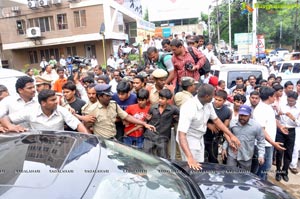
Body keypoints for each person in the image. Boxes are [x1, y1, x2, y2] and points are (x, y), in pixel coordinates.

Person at [177, 84, 241, 170]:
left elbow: (216, 120)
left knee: (200, 165)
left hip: (199, 138)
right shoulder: (189, 107)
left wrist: (231, 135)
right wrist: (190, 157)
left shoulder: (208, 104)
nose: (214, 98)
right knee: (191, 167)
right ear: (207, 96)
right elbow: (181, 135)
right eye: (213, 96)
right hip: (188, 139)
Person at [0, 89, 88, 133]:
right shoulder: (30, 111)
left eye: (56, 99)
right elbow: (4, 119)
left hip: (59, 145)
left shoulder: (61, 110)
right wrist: (11, 127)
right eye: (52, 100)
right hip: (38, 148)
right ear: (43, 103)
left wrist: (88, 139)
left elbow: (78, 124)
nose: (57, 102)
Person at [91, 84, 155, 139]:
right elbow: (86, 127)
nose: (110, 97)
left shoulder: (113, 105)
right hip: (101, 141)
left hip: (112, 139)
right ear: (99, 96)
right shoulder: (92, 109)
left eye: (110, 95)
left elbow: (127, 117)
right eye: (107, 96)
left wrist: (144, 123)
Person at [253, 86, 287, 180]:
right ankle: (259, 187)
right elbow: (261, 130)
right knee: (263, 168)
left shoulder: (268, 107)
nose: (275, 98)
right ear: (269, 97)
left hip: (269, 143)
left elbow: (272, 119)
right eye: (274, 96)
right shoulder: (260, 110)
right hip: (263, 145)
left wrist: (280, 126)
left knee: (265, 168)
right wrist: (273, 143)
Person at [222, 105, 265, 171]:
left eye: (245, 116)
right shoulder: (232, 123)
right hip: (232, 154)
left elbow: (261, 141)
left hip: (246, 156)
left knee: (244, 176)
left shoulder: (256, 126)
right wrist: (224, 148)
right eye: (241, 115)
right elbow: (228, 136)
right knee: (229, 174)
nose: (242, 117)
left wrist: (261, 155)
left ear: (250, 115)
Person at [144, 89, 179, 158]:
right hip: (150, 136)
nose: (160, 100)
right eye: (159, 98)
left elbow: (182, 114)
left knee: (163, 158)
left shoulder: (173, 109)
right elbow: (147, 120)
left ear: (168, 100)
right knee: (145, 156)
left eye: (162, 99)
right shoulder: (153, 108)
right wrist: (147, 119)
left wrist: (174, 119)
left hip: (163, 137)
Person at [275, 91, 300, 182]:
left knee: (289, 152)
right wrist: (278, 114)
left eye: (292, 101)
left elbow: (299, 124)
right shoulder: (282, 105)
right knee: (279, 152)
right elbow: (276, 117)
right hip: (281, 129)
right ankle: (278, 171)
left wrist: (293, 118)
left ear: (296, 100)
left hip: (291, 130)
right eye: (289, 100)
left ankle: (284, 172)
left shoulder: (298, 108)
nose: (290, 103)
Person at [204, 90, 232, 163]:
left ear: (225, 101)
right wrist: (208, 124)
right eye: (215, 99)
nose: (216, 101)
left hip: (214, 140)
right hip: (202, 137)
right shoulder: (207, 106)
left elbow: (225, 127)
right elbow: (199, 119)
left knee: (213, 159)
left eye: (219, 100)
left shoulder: (227, 111)